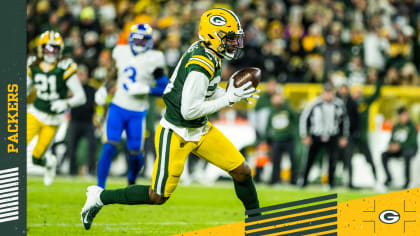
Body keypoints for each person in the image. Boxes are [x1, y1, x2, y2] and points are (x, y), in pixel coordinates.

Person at [81, 8, 260, 230]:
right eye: (230, 39)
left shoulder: (209, 52)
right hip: (177, 132)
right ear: (213, 36)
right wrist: (229, 99)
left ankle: (256, 223)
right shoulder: (200, 64)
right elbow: (189, 110)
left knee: (241, 170)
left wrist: (228, 93)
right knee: (157, 195)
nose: (234, 44)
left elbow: (206, 91)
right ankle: (99, 197)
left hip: (200, 129)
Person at [94, 24, 169, 188]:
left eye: (143, 39)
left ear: (150, 41)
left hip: (137, 112)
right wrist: (104, 87)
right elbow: (114, 73)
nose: (139, 42)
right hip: (117, 107)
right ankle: (99, 187)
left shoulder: (155, 58)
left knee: (135, 153)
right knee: (109, 145)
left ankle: (131, 179)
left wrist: (147, 89)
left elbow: (165, 89)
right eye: (136, 39)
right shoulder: (121, 51)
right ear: (130, 39)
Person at [27, 30, 86, 186]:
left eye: (54, 48)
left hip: (53, 119)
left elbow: (81, 97)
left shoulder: (65, 66)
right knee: (13, 147)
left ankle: (49, 163)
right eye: (48, 48)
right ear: (41, 48)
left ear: (60, 50)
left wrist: (65, 103)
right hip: (35, 112)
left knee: (37, 157)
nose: (51, 51)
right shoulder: (33, 64)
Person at [300, 83, 349, 189]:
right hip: (316, 135)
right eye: (326, 92)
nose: (328, 95)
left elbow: (344, 121)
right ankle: (303, 181)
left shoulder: (338, 104)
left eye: (330, 92)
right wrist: (305, 135)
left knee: (332, 160)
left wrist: (344, 136)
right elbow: (304, 118)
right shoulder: (314, 103)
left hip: (332, 135)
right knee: (310, 159)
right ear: (322, 93)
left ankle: (331, 183)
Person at [350, 75, 384, 184]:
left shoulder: (364, 102)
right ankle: (349, 182)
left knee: (369, 159)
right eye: (355, 91)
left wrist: (379, 80)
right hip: (350, 135)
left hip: (362, 136)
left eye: (358, 91)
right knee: (346, 158)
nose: (357, 93)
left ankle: (376, 180)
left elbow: (376, 94)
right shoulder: (348, 103)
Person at [66, 65, 97, 176]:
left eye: (82, 74)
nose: (80, 77)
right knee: (71, 147)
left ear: (86, 76)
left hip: (88, 122)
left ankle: (91, 170)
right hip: (75, 121)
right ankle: (71, 171)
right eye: (78, 74)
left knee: (92, 146)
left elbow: (90, 106)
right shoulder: (72, 89)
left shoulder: (91, 89)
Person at [264, 91, 298, 185]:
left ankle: (293, 181)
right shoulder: (271, 110)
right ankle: (275, 180)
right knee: (275, 161)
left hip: (288, 138)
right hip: (276, 139)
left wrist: (285, 103)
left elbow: (295, 118)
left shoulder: (287, 108)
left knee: (293, 160)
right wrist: (266, 139)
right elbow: (268, 126)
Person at [381, 107, 418, 189]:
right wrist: (391, 146)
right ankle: (389, 178)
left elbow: (412, 142)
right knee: (384, 155)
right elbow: (391, 139)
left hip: (410, 149)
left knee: (406, 155)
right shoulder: (396, 126)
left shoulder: (412, 126)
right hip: (398, 150)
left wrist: (400, 146)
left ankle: (407, 182)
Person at [336, 81, 359, 188]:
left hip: (348, 135)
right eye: (342, 88)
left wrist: (351, 134)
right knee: (333, 158)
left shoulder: (352, 103)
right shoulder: (334, 101)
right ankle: (331, 181)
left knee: (348, 159)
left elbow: (355, 119)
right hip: (335, 135)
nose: (343, 91)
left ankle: (350, 182)